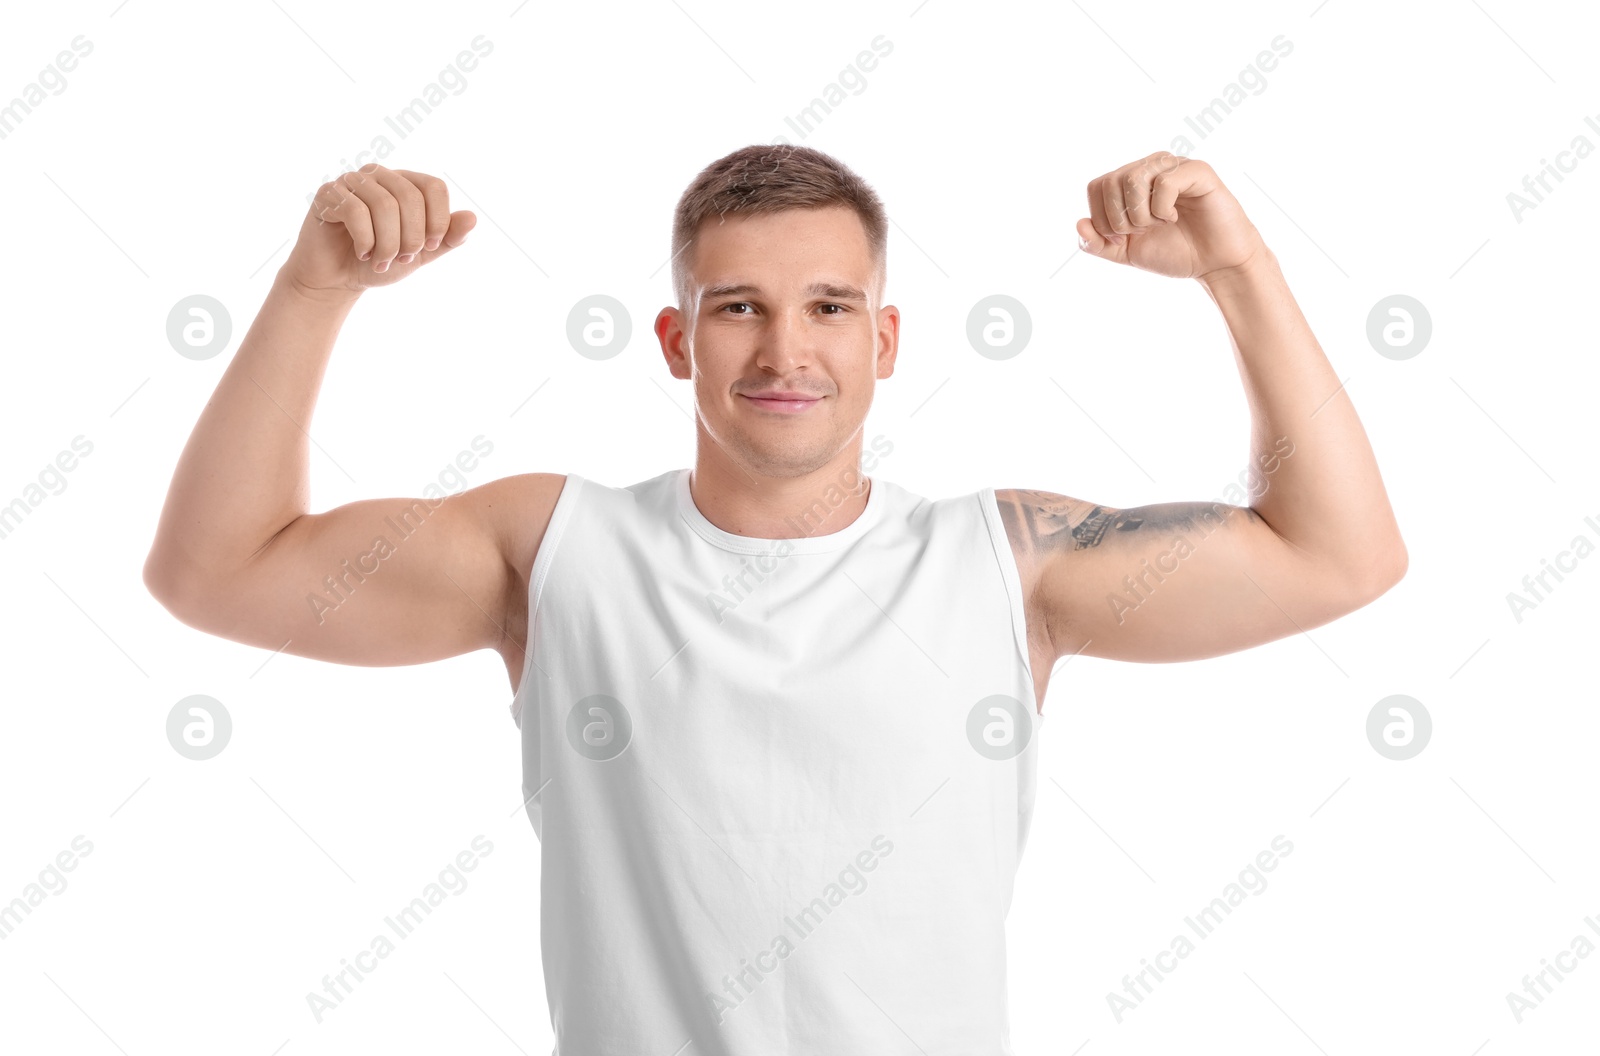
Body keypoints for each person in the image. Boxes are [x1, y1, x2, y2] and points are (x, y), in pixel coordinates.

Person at [143, 144, 1406, 1053]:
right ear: (677, 342)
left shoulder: (1007, 562)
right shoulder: (553, 549)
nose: (785, 350)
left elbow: (1337, 556)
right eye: (737, 307)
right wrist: (316, 289)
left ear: (886, 341)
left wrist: (1235, 269)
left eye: (830, 308)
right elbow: (216, 572)